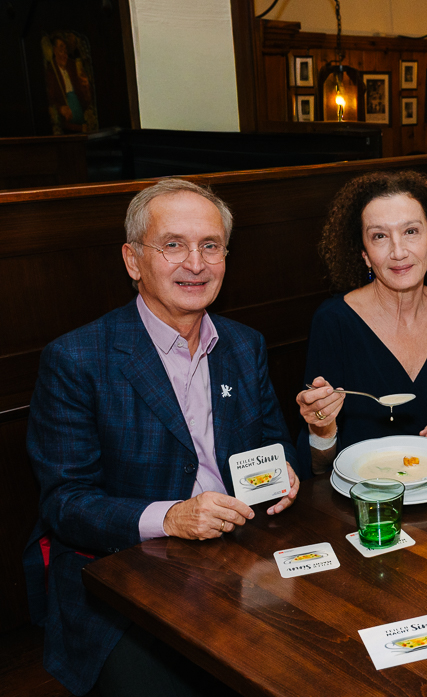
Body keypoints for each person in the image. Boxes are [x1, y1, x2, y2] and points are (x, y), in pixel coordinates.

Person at [24, 179, 299, 696]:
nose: (195, 263)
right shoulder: (78, 359)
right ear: (133, 261)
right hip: (122, 575)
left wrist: (281, 474)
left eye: (210, 246)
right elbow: (66, 505)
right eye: (173, 244)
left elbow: (272, 448)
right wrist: (170, 517)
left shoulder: (244, 345)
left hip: (242, 555)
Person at [296, 171, 427, 475]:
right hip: (365, 502)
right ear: (365, 254)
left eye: (411, 231)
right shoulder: (334, 322)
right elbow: (317, 467)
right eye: (379, 236)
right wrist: (322, 430)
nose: (398, 252)